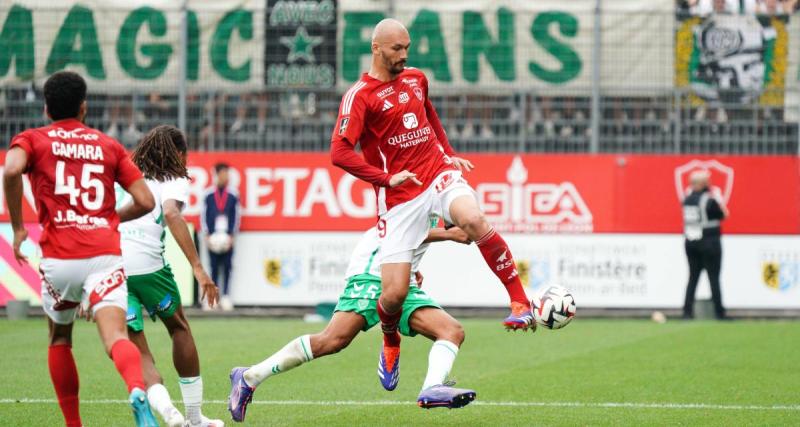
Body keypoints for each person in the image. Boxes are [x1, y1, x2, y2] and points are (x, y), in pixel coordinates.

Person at [329, 18, 533, 392]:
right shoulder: (360, 96)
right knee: (392, 294)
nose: (404, 55)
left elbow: (428, 113)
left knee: (473, 220)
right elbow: (339, 152)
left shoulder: (415, 78)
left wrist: (450, 154)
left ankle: (520, 302)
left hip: (436, 173)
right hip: (399, 196)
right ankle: (390, 340)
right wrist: (385, 178)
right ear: (376, 48)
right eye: (396, 49)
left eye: (407, 48)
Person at [2, 71, 158, 427]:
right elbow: (146, 201)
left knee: (60, 337)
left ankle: (74, 424)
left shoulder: (33, 139)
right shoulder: (108, 145)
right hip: (104, 254)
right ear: (84, 107)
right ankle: (136, 389)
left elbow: (11, 170)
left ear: (45, 108)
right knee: (116, 336)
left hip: (60, 258)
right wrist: (108, 218)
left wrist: (18, 227)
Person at [228, 223, 481, 421]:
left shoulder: (435, 191)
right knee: (333, 340)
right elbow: (397, 228)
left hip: (399, 274)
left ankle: (431, 388)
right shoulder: (417, 182)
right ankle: (249, 376)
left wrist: (410, 266)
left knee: (451, 331)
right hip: (373, 270)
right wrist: (448, 235)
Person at [117, 125, 224, 427]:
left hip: (114, 267)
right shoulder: (172, 176)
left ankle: (168, 413)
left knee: (137, 346)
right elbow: (171, 214)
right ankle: (193, 417)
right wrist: (199, 269)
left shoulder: (124, 173)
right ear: (177, 154)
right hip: (149, 266)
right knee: (178, 328)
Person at [681, 169, 729, 320]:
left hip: (691, 242)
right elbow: (723, 214)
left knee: (693, 278)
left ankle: (687, 312)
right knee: (714, 278)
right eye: (707, 181)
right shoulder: (709, 200)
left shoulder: (687, 200)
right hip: (709, 242)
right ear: (702, 184)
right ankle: (719, 313)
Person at [202, 163, 240, 311]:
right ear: (217, 175)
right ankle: (212, 299)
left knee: (227, 267)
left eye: (228, 174)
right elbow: (203, 215)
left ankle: (226, 296)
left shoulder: (233, 195)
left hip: (227, 237)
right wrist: (206, 236)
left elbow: (236, 216)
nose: (226, 177)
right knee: (213, 268)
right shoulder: (208, 195)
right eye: (224, 173)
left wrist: (232, 236)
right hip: (213, 237)